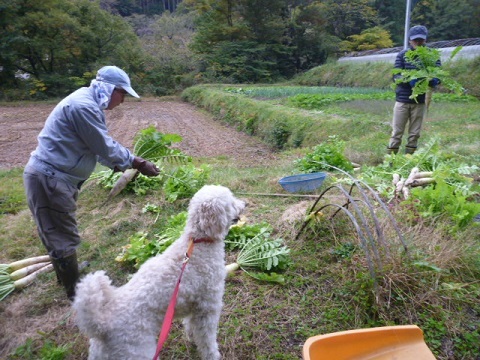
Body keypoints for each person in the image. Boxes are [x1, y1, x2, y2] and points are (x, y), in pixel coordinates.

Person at [23, 66, 160, 300]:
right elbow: (104, 145)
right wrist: (138, 162)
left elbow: (91, 146)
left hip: (55, 178)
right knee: (62, 235)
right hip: (50, 179)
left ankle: (68, 277)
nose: (123, 101)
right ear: (110, 89)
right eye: (123, 94)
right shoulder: (83, 106)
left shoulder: (86, 103)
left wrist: (115, 164)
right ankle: (75, 293)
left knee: (58, 230)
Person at [387, 25, 441, 155]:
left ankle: (408, 158)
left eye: (420, 40)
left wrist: (433, 80)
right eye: (415, 40)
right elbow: (396, 75)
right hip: (403, 100)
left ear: (425, 40)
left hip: (420, 101)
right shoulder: (403, 55)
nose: (418, 42)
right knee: (397, 131)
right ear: (410, 40)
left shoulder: (431, 55)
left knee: (415, 133)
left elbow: (438, 74)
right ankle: (391, 160)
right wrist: (409, 80)